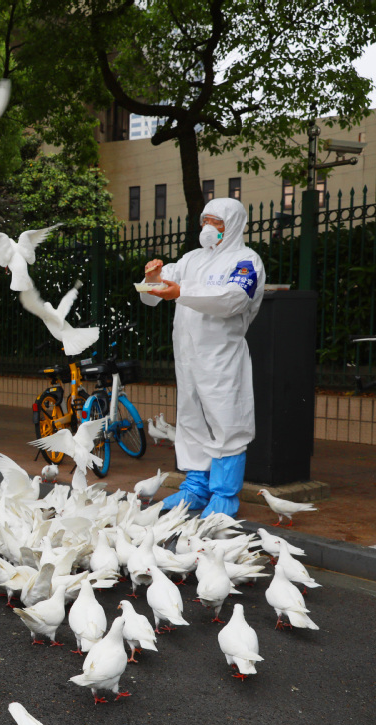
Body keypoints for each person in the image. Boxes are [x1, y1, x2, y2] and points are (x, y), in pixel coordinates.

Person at [140, 197, 265, 517]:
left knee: (227, 424)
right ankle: (195, 489)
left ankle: (223, 497)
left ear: (234, 224)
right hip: (188, 359)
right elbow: (155, 290)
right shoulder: (191, 260)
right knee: (191, 423)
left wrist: (181, 293)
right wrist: (153, 276)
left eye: (217, 223)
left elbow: (232, 300)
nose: (208, 228)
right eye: (205, 221)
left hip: (222, 359)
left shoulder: (246, 261)